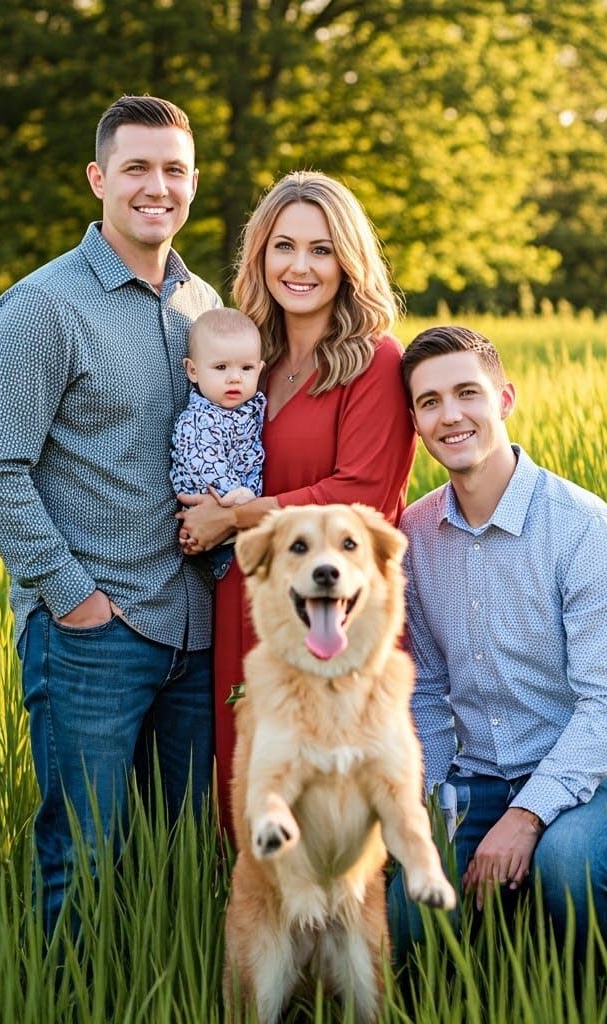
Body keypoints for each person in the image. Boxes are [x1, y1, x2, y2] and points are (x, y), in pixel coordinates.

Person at [0, 94, 221, 937]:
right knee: (84, 859)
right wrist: (76, 601)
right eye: (137, 167)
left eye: (174, 169)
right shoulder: (43, 307)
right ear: (98, 177)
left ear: (192, 183)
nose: (157, 186)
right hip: (94, 634)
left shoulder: (200, 304)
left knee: (178, 859)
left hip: (197, 634)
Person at [389, 324, 607, 960]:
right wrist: (425, 807)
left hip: (595, 773)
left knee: (566, 864)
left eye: (467, 393)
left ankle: (603, 997)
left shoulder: (583, 529)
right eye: (430, 402)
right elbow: (424, 691)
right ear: (415, 421)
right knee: (409, 910)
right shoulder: (415, 538)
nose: (451, 416)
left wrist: (527, 815)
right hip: (476, 773)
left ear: (504, 398)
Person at [175, 171, 418, 830]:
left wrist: (231, 516)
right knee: (244, 784)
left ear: (348, 261)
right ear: (260, 255)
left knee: (319, 809)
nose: (300, 266)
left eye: (321, 249)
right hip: (244, 595)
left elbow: (358, 497)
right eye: (284, 246)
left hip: (325, 610)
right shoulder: (249, 354)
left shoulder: (374, 361)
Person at [170, 307, 267, 580]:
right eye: (221, 367)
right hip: (216, 506)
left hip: (241, 517)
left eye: (246, 368)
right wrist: (237, 500)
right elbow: (206, 464)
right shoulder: (199, 419)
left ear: (259, 369)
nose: (234, 377)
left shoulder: (248, 408)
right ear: (193, 370)